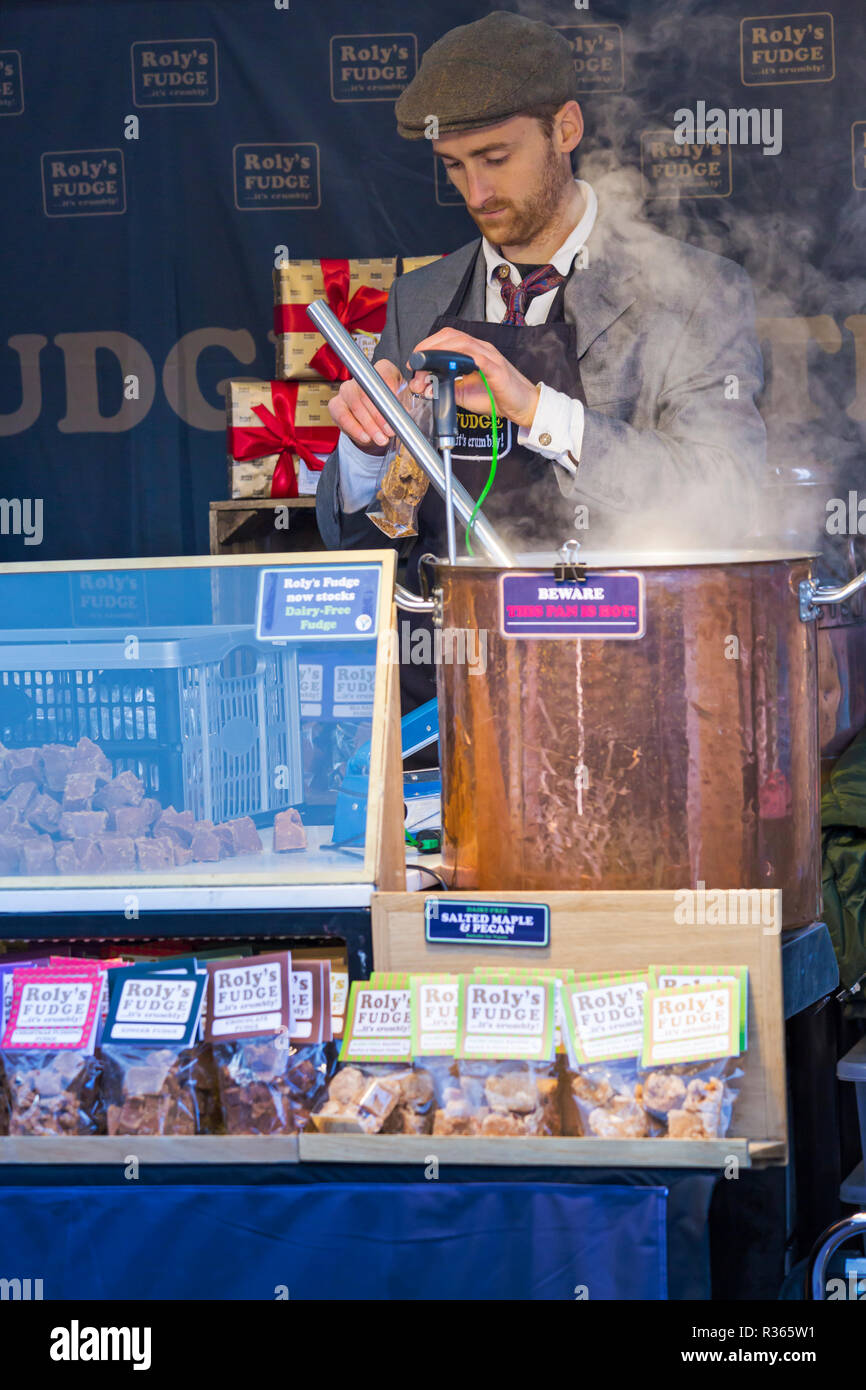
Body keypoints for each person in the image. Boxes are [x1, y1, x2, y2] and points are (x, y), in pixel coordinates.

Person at [316, 10, 767, 711]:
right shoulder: (420, 297)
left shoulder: (696, 291)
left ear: (566, 129)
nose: (476, 195)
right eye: (454, 167)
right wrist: (367, 457)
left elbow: (729, 492)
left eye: (496, 159)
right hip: (452, 695)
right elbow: (368, 541)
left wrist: (538, 410)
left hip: (631, 683)